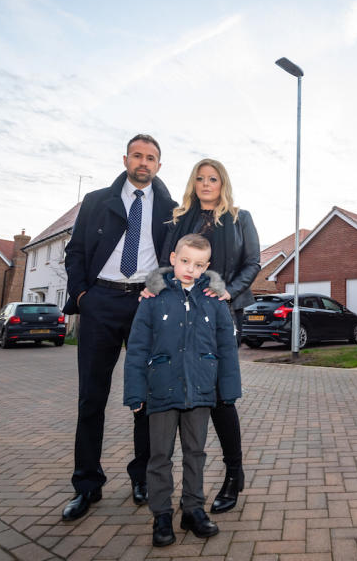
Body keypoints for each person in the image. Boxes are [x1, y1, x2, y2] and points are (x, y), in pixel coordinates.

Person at [60, 134, 178, 522]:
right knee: (91, 397)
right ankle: (86, 485)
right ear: (126, 159)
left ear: (159, 165)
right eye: (138, 156)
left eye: (152, 158)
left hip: (145, 304)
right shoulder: (96, 201)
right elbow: (75, 251)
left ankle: (141, 477)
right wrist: (82, 296)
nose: (144, 163)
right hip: (101, 302)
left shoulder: (170, 209)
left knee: (144, 396)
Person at [155, 158, 260, 513]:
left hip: (222, 312)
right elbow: (166, 263)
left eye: (212, 178)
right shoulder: (178, 218)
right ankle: (170, 483)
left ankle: (234, 474)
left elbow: (253, 262)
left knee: (220, 396)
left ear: (222, 183)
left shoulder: (239, 218)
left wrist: (230, 290)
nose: (205, 183)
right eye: (199, 178)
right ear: (193, 182)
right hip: (182, 313)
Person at [124, 233, 241, 546]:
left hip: (201, 392)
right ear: (173, 259)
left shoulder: (214, 301)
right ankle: (162, 515)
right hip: (161, 391)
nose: (191, 269)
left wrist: (227, 390)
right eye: (186, 261)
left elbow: (227, 348)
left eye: (199, 264)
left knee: (196, 453)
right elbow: (137, 348)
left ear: (207, 267)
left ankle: (193, 510)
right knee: (159, 456)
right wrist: (135, 394)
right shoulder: (153, 298)